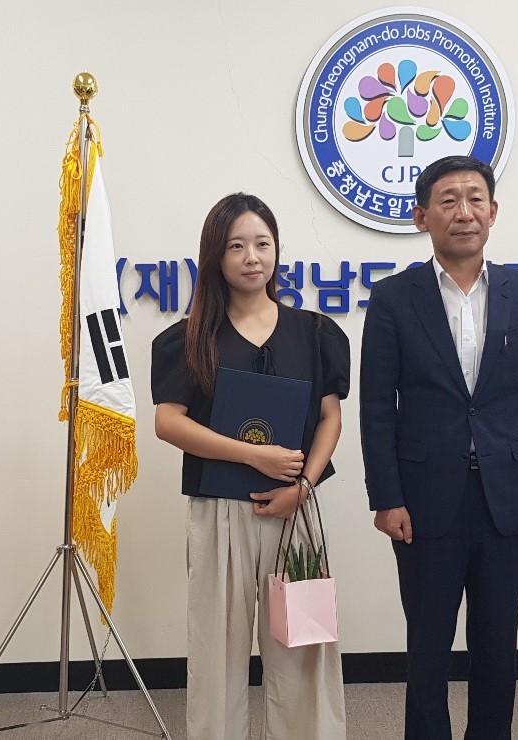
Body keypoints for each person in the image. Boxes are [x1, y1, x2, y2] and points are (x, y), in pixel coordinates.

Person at [360, 155, 518, 739]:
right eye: (448, 201)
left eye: (475, 199)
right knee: (427, 644)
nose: (464, 212)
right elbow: (377, 406)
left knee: (497, 642)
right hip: (423, 500)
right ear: (422, 216)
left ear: (493, 212)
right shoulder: (394, 297)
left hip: (506, 497)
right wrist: (386, 498)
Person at [150, 193, 349, 740]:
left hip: (295, 510)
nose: (252, 257)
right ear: (216, 256)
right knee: (217, 650)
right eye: (236, 246)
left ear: (276, 250)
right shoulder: (188, 338)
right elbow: (168, 422)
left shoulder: (314, 332)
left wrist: (303, 485)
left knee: (305, 645)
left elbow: (330, 418)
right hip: (220, 512)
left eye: (263, 243)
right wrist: (252, 454)